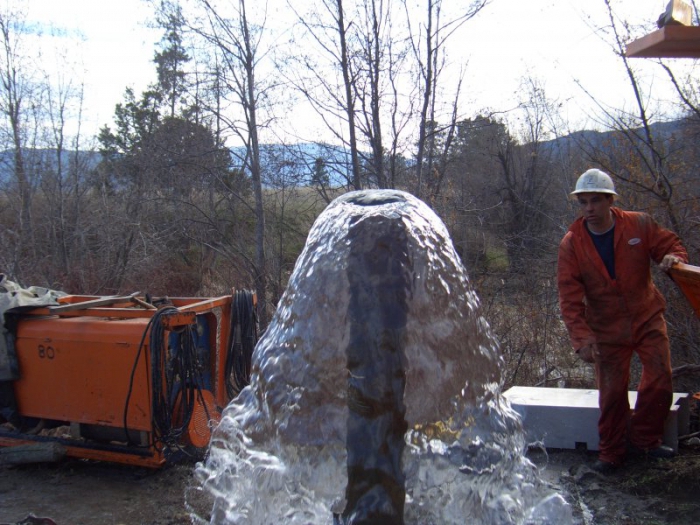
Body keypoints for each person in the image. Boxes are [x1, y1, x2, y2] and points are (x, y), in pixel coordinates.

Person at [557, 168, 688, 473]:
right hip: (606, 328)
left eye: (596, 201)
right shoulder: (572, 244)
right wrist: (583, 339)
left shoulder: (638, 224)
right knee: (613, 393)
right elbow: (569, 298)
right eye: (583, 202)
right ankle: (612, 451)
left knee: (659, 380)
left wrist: (674, 257)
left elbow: (669, 245)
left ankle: (645, 441)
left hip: (647, 316)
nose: (589, 208)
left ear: (609, 201)